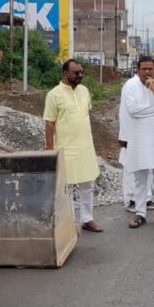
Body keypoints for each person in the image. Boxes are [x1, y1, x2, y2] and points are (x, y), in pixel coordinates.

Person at [44, 59, 102, 232]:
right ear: (65, 73)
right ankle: (69, 223)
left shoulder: (84, 91)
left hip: (85, 147)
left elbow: (85, 115)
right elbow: (49, 123)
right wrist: (49, 149)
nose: (80, 75)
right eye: (76, 73)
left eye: (81, 72)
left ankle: (87, 219)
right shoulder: (54, 95)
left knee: (87, 185)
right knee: (67, 187)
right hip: (65, 148)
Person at [121, 56, 154, 229]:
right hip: (139, 140)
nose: (146, 72)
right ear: (137, 70)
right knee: (139, 179)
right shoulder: (130, 86)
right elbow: (132, 110)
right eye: (143, 69)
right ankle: (140, 213)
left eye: (150, 69)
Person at [118, 96, 154, 213]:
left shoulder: (152, 87)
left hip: (147, 132)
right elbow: (124, 113)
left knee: (148, 166)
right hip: (131, 133)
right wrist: (124, 136)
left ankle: (147, 198)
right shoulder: (130, 86)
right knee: (131, 167)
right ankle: (131, 199)